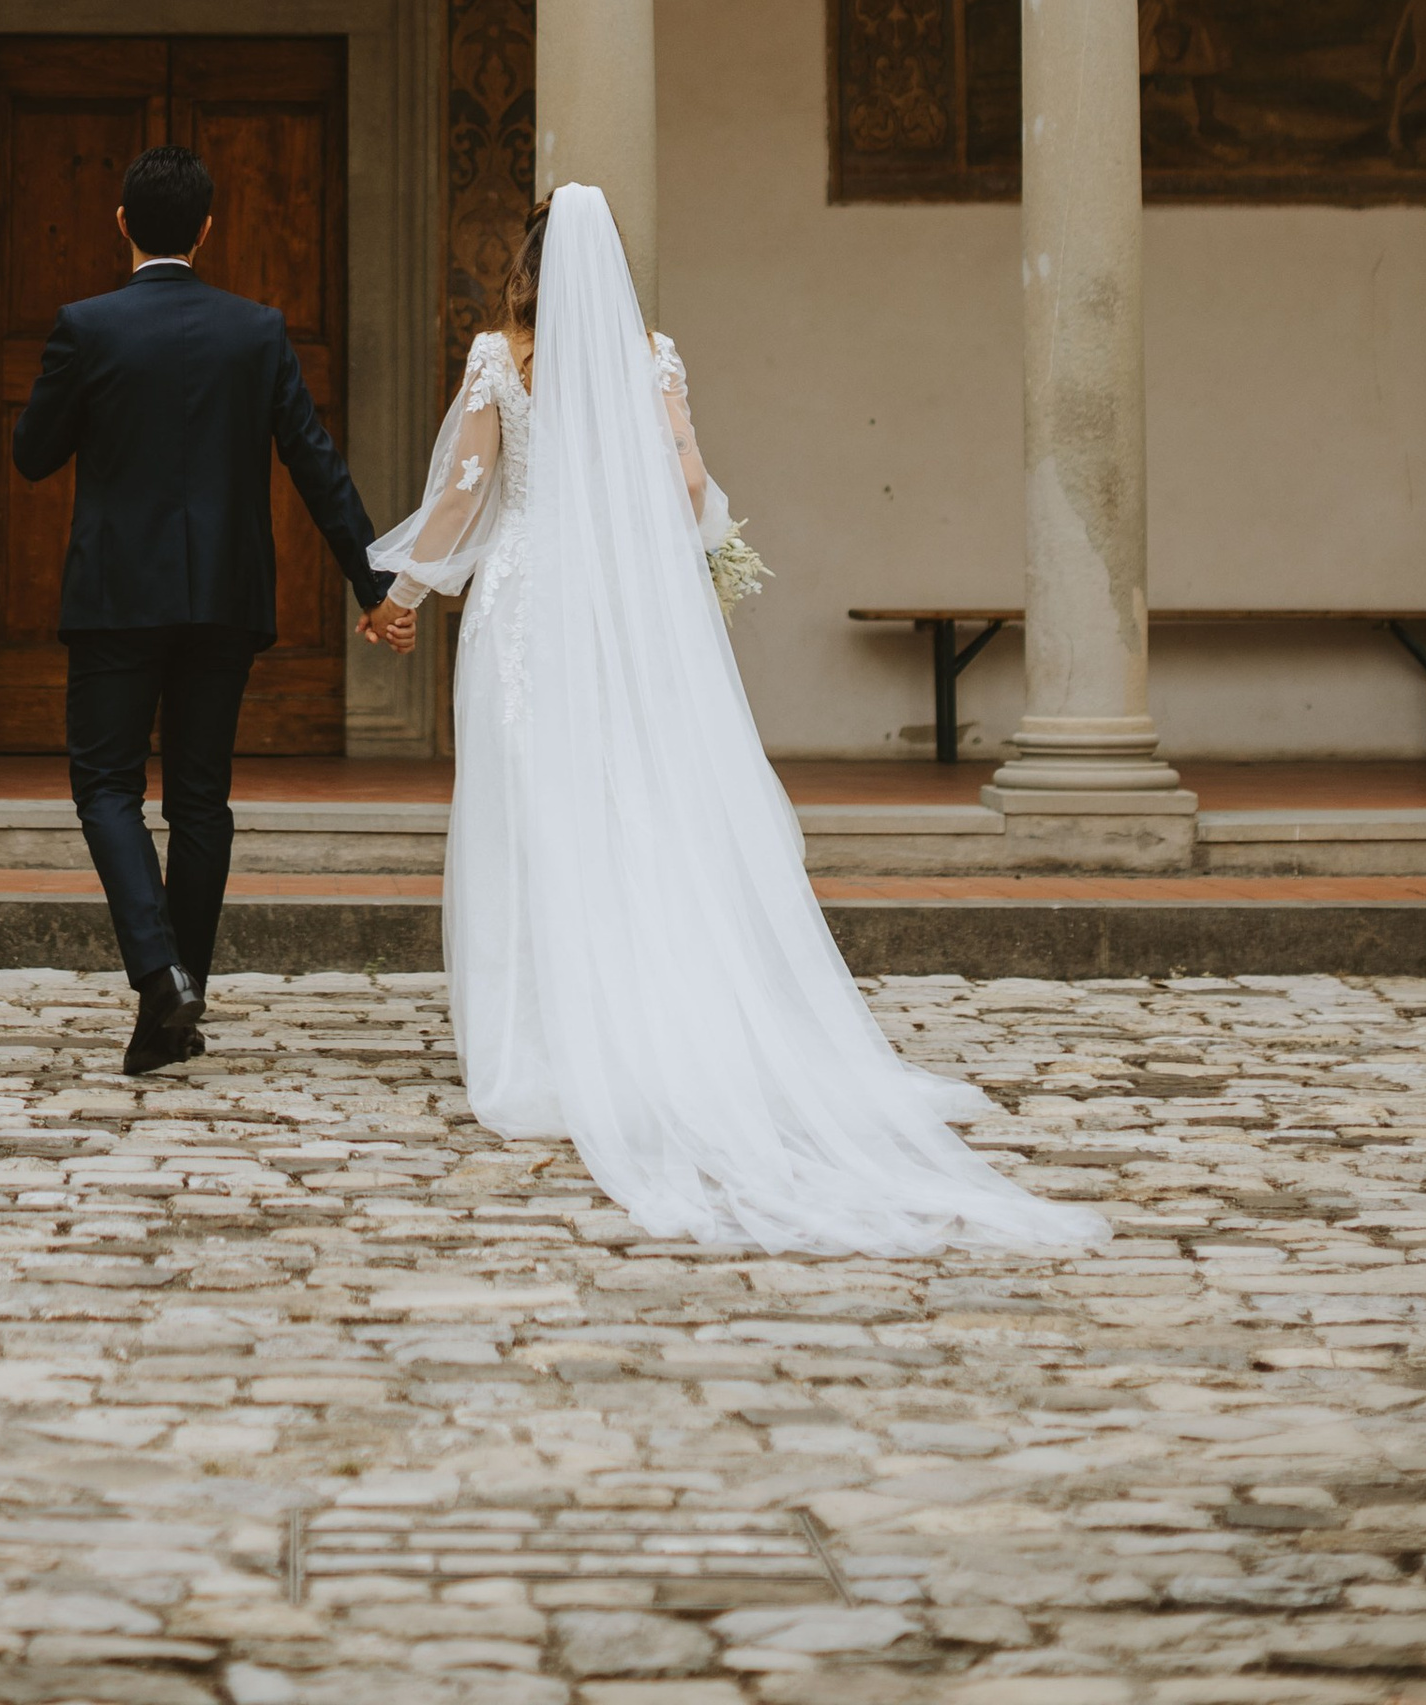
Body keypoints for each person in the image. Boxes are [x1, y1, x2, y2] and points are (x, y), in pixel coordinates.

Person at [367, 183, 1110, 1257]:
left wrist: (400, 597)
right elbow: (687, 480)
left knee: (534, 802)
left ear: (526, 258)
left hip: (526, 600)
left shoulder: (499, 355)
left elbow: (462, 492)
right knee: (637, 802)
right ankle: (650, 1015)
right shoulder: (653, 356)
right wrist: (686, 561)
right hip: (620, 604)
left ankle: (540, 1033)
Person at [12, 139, 410, 1078]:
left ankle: (159, 973)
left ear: (120, 224)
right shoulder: (257, 329)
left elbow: (32, 453)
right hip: (226, 597)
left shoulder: (85, 325)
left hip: (115, 597)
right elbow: (316, 461)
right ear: (207, 227)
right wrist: (374, 583)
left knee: (105, 786)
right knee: (200, 799)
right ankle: (174, 1006)